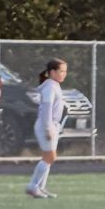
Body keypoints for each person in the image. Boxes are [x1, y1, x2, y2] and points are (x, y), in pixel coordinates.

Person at [26, 58, 69, 199]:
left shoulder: (54, 85)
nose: (64, 74)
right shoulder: (50, 87)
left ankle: (40, 188)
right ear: (52, 72)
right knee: (50, 157)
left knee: (48, 158)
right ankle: (32, 186)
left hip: (53, 125)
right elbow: (46, 109)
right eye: (61, 71)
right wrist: (47, 128)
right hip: (47, 125)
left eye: (65, 71)